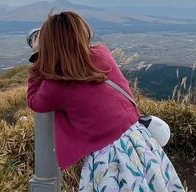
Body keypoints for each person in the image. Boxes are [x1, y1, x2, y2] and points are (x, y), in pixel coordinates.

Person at [26, 10, 186, 192]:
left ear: (50, 44)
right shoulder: (102, 53)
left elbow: (34, 101)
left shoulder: (56, 83)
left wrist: (38, 55)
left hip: (109, 158)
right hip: (140, 142)